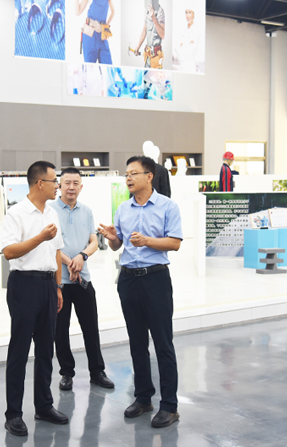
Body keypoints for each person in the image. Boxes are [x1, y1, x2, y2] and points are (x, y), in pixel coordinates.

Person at [99, 155, 183, 429]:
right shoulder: (123, 209)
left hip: (155, 279)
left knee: (163, 343)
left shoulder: (168, 206)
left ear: (149, 176)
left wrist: (147, 241)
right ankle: (143, 397)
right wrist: (113, 238)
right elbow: (118, 245)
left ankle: (169, 405)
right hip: (128, 280)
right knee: (137, 342)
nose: (128, 178)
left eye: (133, 173)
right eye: (126, 174)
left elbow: (175, 243)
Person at [0, 161, 67, 437]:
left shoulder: (52, 212)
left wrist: (58, 287)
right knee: (19, 349)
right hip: (24, 285)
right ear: (40, 183)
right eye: (54, 181)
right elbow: (9, 252)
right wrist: (39, 237)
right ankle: (13, 414)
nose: (57, 186)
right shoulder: (16, 213)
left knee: (46, 348)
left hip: (48, 285)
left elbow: (57, 252)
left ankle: (44, 405)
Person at [52, 167, 115, 392]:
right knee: (60, 331)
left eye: (75, 183)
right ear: (59, 185)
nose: (71, 187)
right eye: (67, 183)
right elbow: (50, 245)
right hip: (60, 281)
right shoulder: (50, 210)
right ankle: (66, 373)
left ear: (81, 186)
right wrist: (71, 262)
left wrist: (82, 257)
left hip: (83, 280)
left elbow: (94, 241)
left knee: (91, 327)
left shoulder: (86, 211)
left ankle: (97, 371)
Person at [73, 0, 115, 64]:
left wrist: (106, 25)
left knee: (108, 66)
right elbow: (77, 12)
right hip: (90, 35)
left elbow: (113, 11)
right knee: (90, 68)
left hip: (102, 36)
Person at [132, 0, 166, 69]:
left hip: (156, 57)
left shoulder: (160, 11)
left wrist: (154, 19)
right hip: (148, 56)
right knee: (146, 76)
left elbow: (162, 35)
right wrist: (137, 47)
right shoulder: (146, 11)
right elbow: (144, 31)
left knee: (155, 77)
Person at [172, 8, 199, 73]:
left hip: (190, 66)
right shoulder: (182, 30)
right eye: (186, 12)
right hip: (181, 65)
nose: (187, 15)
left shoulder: (196, 30)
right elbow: (176, 48)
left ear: (194, 14)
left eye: (190, 12)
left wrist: (182, 45)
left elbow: (190, 52)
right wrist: (186, 44)